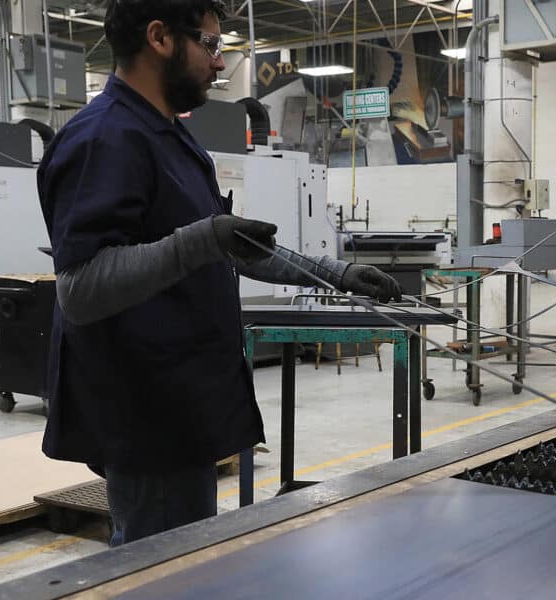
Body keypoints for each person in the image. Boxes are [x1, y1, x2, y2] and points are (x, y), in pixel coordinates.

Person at [37, 0, 400, 546]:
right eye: (209, 45)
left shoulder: (170, 137)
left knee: (187, 560)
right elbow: (82, 289)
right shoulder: (104, 140)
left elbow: (228, 246)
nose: (219, 64)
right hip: (147, 412)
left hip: (184, 401)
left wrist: (332, 273)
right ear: (159, 38)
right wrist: (202, 239)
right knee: (161, 572)